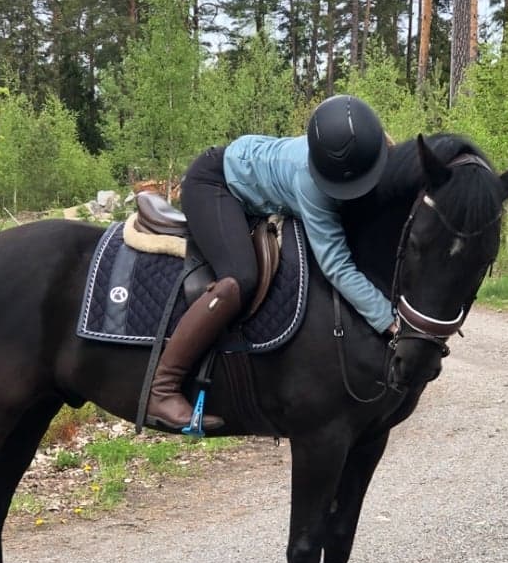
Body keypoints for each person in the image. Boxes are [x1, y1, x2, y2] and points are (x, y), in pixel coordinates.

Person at [146, 94, 396, 433]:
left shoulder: (372, 148)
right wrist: (387, 319)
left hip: (252, 172)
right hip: (214, 183)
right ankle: (163, 388)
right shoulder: (311, 183)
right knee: (239, 278)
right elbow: (335, 265)